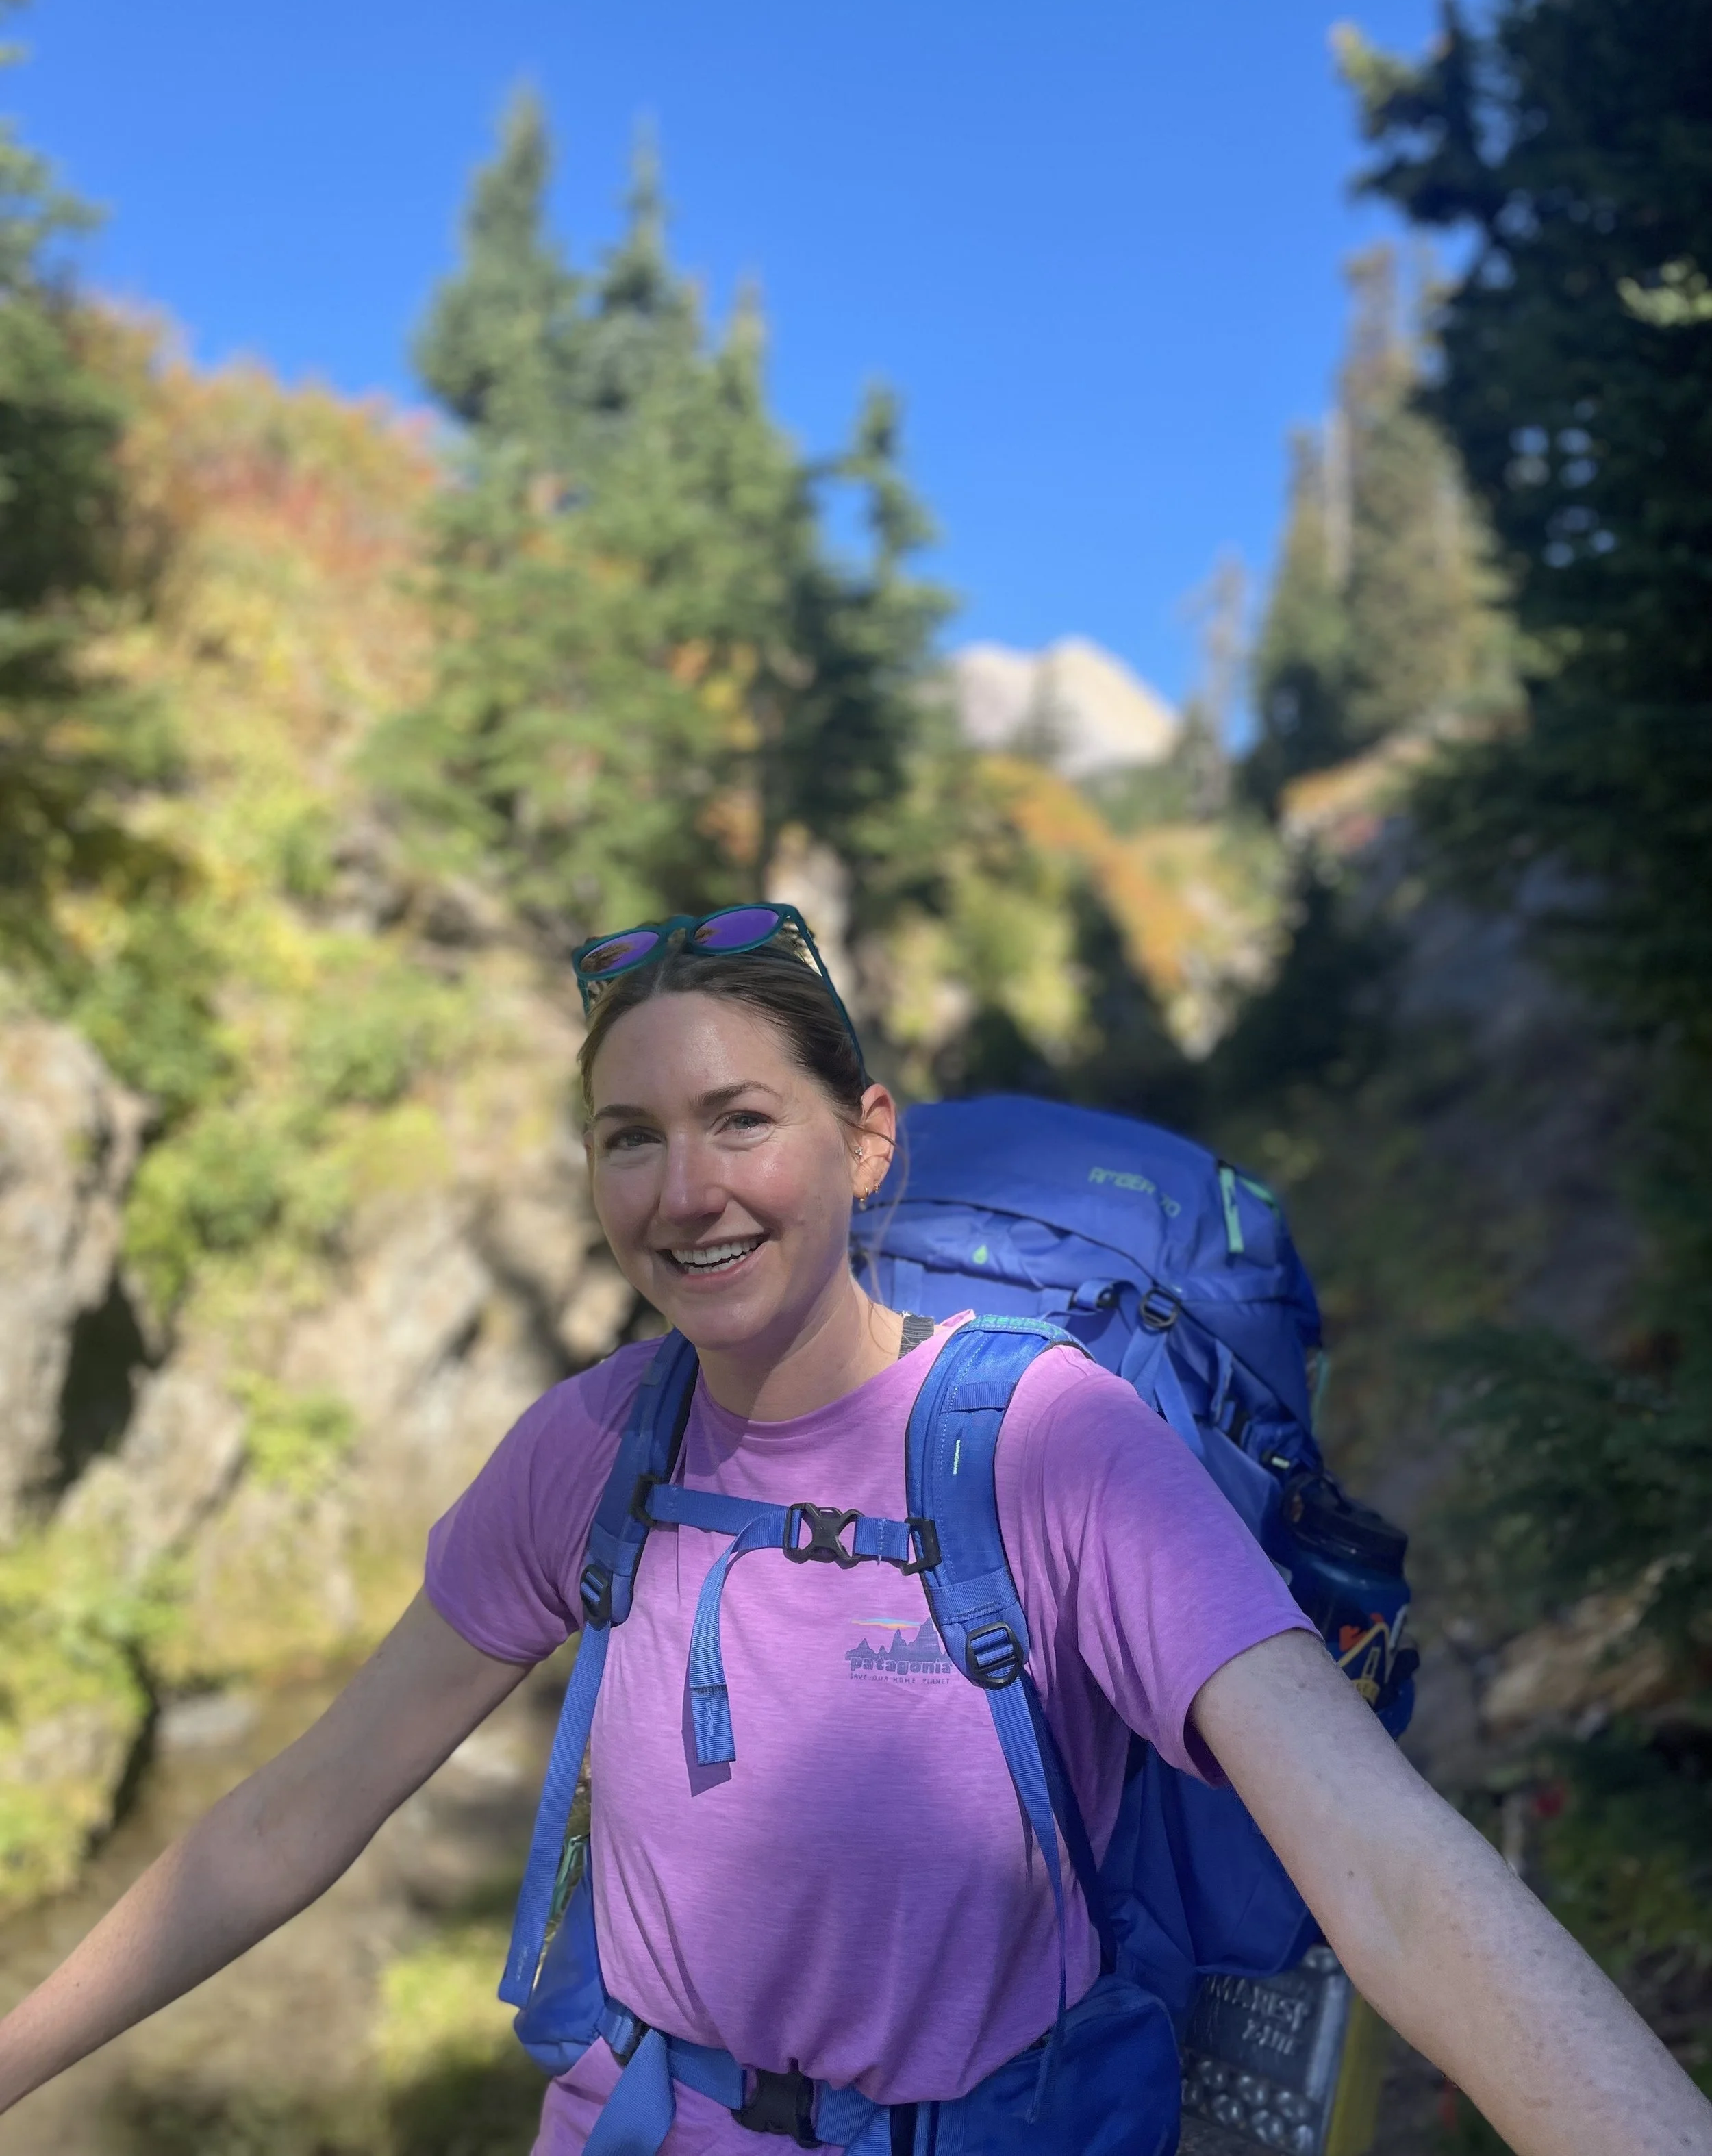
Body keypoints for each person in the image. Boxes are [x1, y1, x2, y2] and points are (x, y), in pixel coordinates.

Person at [0, 904, 1707, 2156]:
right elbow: (295, 1812)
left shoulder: (1048, 1446)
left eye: (741, 1119)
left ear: (862, 1138)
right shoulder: (588, 1448)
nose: (686, 1191)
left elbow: (1391, 1872)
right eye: (629, 1139)